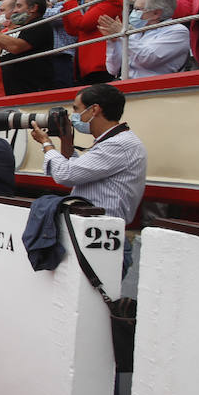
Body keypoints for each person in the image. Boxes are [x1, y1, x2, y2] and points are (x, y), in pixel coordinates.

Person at [29, 83, 147, 275]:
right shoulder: (113, 142)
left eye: (76, 109)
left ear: (94, 109)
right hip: (93, 236)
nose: (72, 115)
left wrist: (46, 144)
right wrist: (66, 139)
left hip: (103, 241)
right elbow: (77, 172)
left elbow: (66, 175)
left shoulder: (120, 145)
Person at [99, 0, 191, 78]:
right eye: (133, 9)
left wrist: (123, 34)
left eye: (138, 9)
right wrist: (114, 41)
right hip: (126, 83)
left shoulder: (177, 31)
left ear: (156, 13)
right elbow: (112, 69)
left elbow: (147, 59)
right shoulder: (137, 32)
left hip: (156, 87)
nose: (133, 13)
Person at [62, 0, 128, 84]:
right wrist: (67, 2)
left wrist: (71, 0)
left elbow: (82, 24)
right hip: (88, 64)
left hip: (101, 64)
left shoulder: (113, 1)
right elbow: (73, 30)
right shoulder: (101, 2)